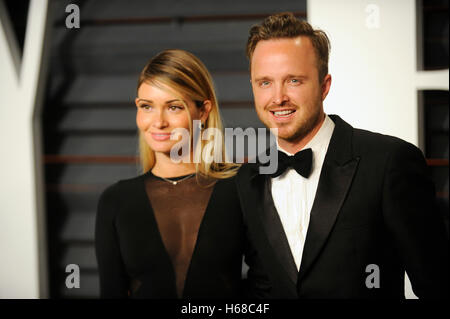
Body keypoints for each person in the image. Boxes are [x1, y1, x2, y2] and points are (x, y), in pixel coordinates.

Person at [236, 12, 449, 298]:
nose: (278, 97)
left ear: (324, 86)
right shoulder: (247, 179)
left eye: (294, 81)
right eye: (265, 82)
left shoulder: (389, 162)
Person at [95, 49, 244, 298]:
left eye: (174, 107)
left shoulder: (240, 188)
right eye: (147, 107)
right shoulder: (115, 200)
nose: (159, 121)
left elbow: (267, 284)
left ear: (203, 111)